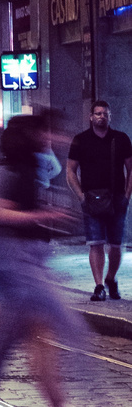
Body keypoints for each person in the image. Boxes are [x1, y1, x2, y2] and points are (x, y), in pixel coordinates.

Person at [0, 114, 131, 407]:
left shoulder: (29, 168)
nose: (51, 137)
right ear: (31, 137)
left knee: (16, 345)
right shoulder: (13, 173)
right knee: (70, 330)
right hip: (16, 267)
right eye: (45, 132)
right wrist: (44, 217)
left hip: (25, 265)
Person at [65, 100, 132, 301]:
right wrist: (81, 196)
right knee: (96, 243)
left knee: (116, 245)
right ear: (91, 117)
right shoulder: (81, 140)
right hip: (92, 199)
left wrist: (127, 196)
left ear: (110, 116)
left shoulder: (120, 139)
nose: (101, 116)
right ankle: (99, 286)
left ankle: (110, 278)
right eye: (98, 113)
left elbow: (131, 169)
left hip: (117, 198)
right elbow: (70, 170)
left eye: (105, 113)